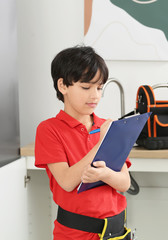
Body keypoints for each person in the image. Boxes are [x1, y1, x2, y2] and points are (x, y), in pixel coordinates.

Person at [35, 45, 131, 240]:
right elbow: (68, 181)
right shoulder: (49, 130)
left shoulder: (107, 126)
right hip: (74, 234)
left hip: (116, 233)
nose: (95, 95)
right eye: (86, 87)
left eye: (99, 87)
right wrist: (100, 145)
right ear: (63, 86)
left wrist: (105, 174)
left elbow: (124, 183)